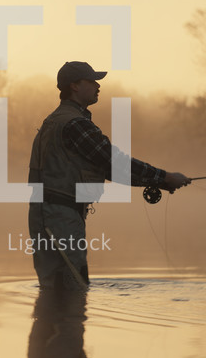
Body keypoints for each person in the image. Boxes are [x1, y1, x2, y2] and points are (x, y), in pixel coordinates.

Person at [28, 61, 191, 290]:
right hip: (60, 217)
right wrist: (164, 178)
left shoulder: (54, 121)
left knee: (55, 293)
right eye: (92, 81)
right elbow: (116, 162)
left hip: (48, 214)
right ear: (74, 86)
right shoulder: (75, 124)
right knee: (72, 292)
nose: (97, 86)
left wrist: (160, 181)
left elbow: (109, 169)